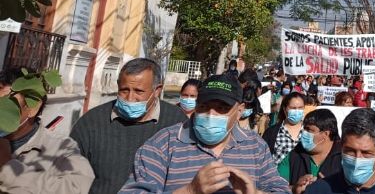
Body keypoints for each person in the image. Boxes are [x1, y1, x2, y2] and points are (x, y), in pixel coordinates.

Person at [119, 74, 291, 193]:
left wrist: (255, 193)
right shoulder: (164, 144)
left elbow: (280, 189)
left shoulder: (255, 146)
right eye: (204, 107)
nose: (211, 115)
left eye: (222, 108)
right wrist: (190, 191)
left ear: (239, 111)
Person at [70, 58, 186, 194]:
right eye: (124, 90)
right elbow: (69, 174)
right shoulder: (91, 122)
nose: (130, 98)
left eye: (138, 91)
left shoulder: (177, 122)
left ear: (157, 90)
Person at [0, 69, 94, 193]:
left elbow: (78, 188)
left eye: (7, 104)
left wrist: (8, 168)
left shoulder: (61, 149)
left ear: (33, 108)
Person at [305, 108, 375, 194]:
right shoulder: (317, 190)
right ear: (341, 147)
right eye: (350, 151)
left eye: (366, 153)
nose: (357, 159)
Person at [288, 109, 343, 193]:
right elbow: (275, 187)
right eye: (304, 129)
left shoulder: (345, 158)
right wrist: (294, 188)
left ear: (325, 134)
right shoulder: (293, 155)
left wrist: (329, 188)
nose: (304, 133)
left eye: (309, 130)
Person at [264, 92, 307, 179]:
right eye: (293, 108)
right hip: (276, 182)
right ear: (284, 109)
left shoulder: (309, 131)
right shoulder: (271, 132)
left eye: (300, 108)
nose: (297, 111)